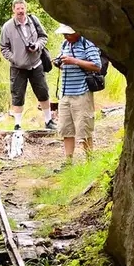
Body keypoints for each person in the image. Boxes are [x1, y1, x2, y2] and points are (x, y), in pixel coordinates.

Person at [0, 0, 57, 131]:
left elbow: (44, 37)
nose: (20, 11)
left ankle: (48, 121)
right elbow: (3, 47)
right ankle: (17, 125)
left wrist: (37, 45)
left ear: (26, 8)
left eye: (22, 8)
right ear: (13, 10)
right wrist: (14, 58)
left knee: (43, 92)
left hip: (36, 63)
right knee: (18, 95)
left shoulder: (34, 21)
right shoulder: (7, 27)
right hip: (18, 67)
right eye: (18, 8)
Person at [53, 24, 102, 163]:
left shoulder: (88, 44)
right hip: (65, 93)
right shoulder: (65, 44)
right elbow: (61, 61)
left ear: (77, 32)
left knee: (84, 128)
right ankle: (68, 161)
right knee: (66, 129)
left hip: (82, 92)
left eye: (68, 34)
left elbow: (97, 66)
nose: (66, 37)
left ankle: (89, 161)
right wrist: (59, 62)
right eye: (64, 34)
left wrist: (74, 61)